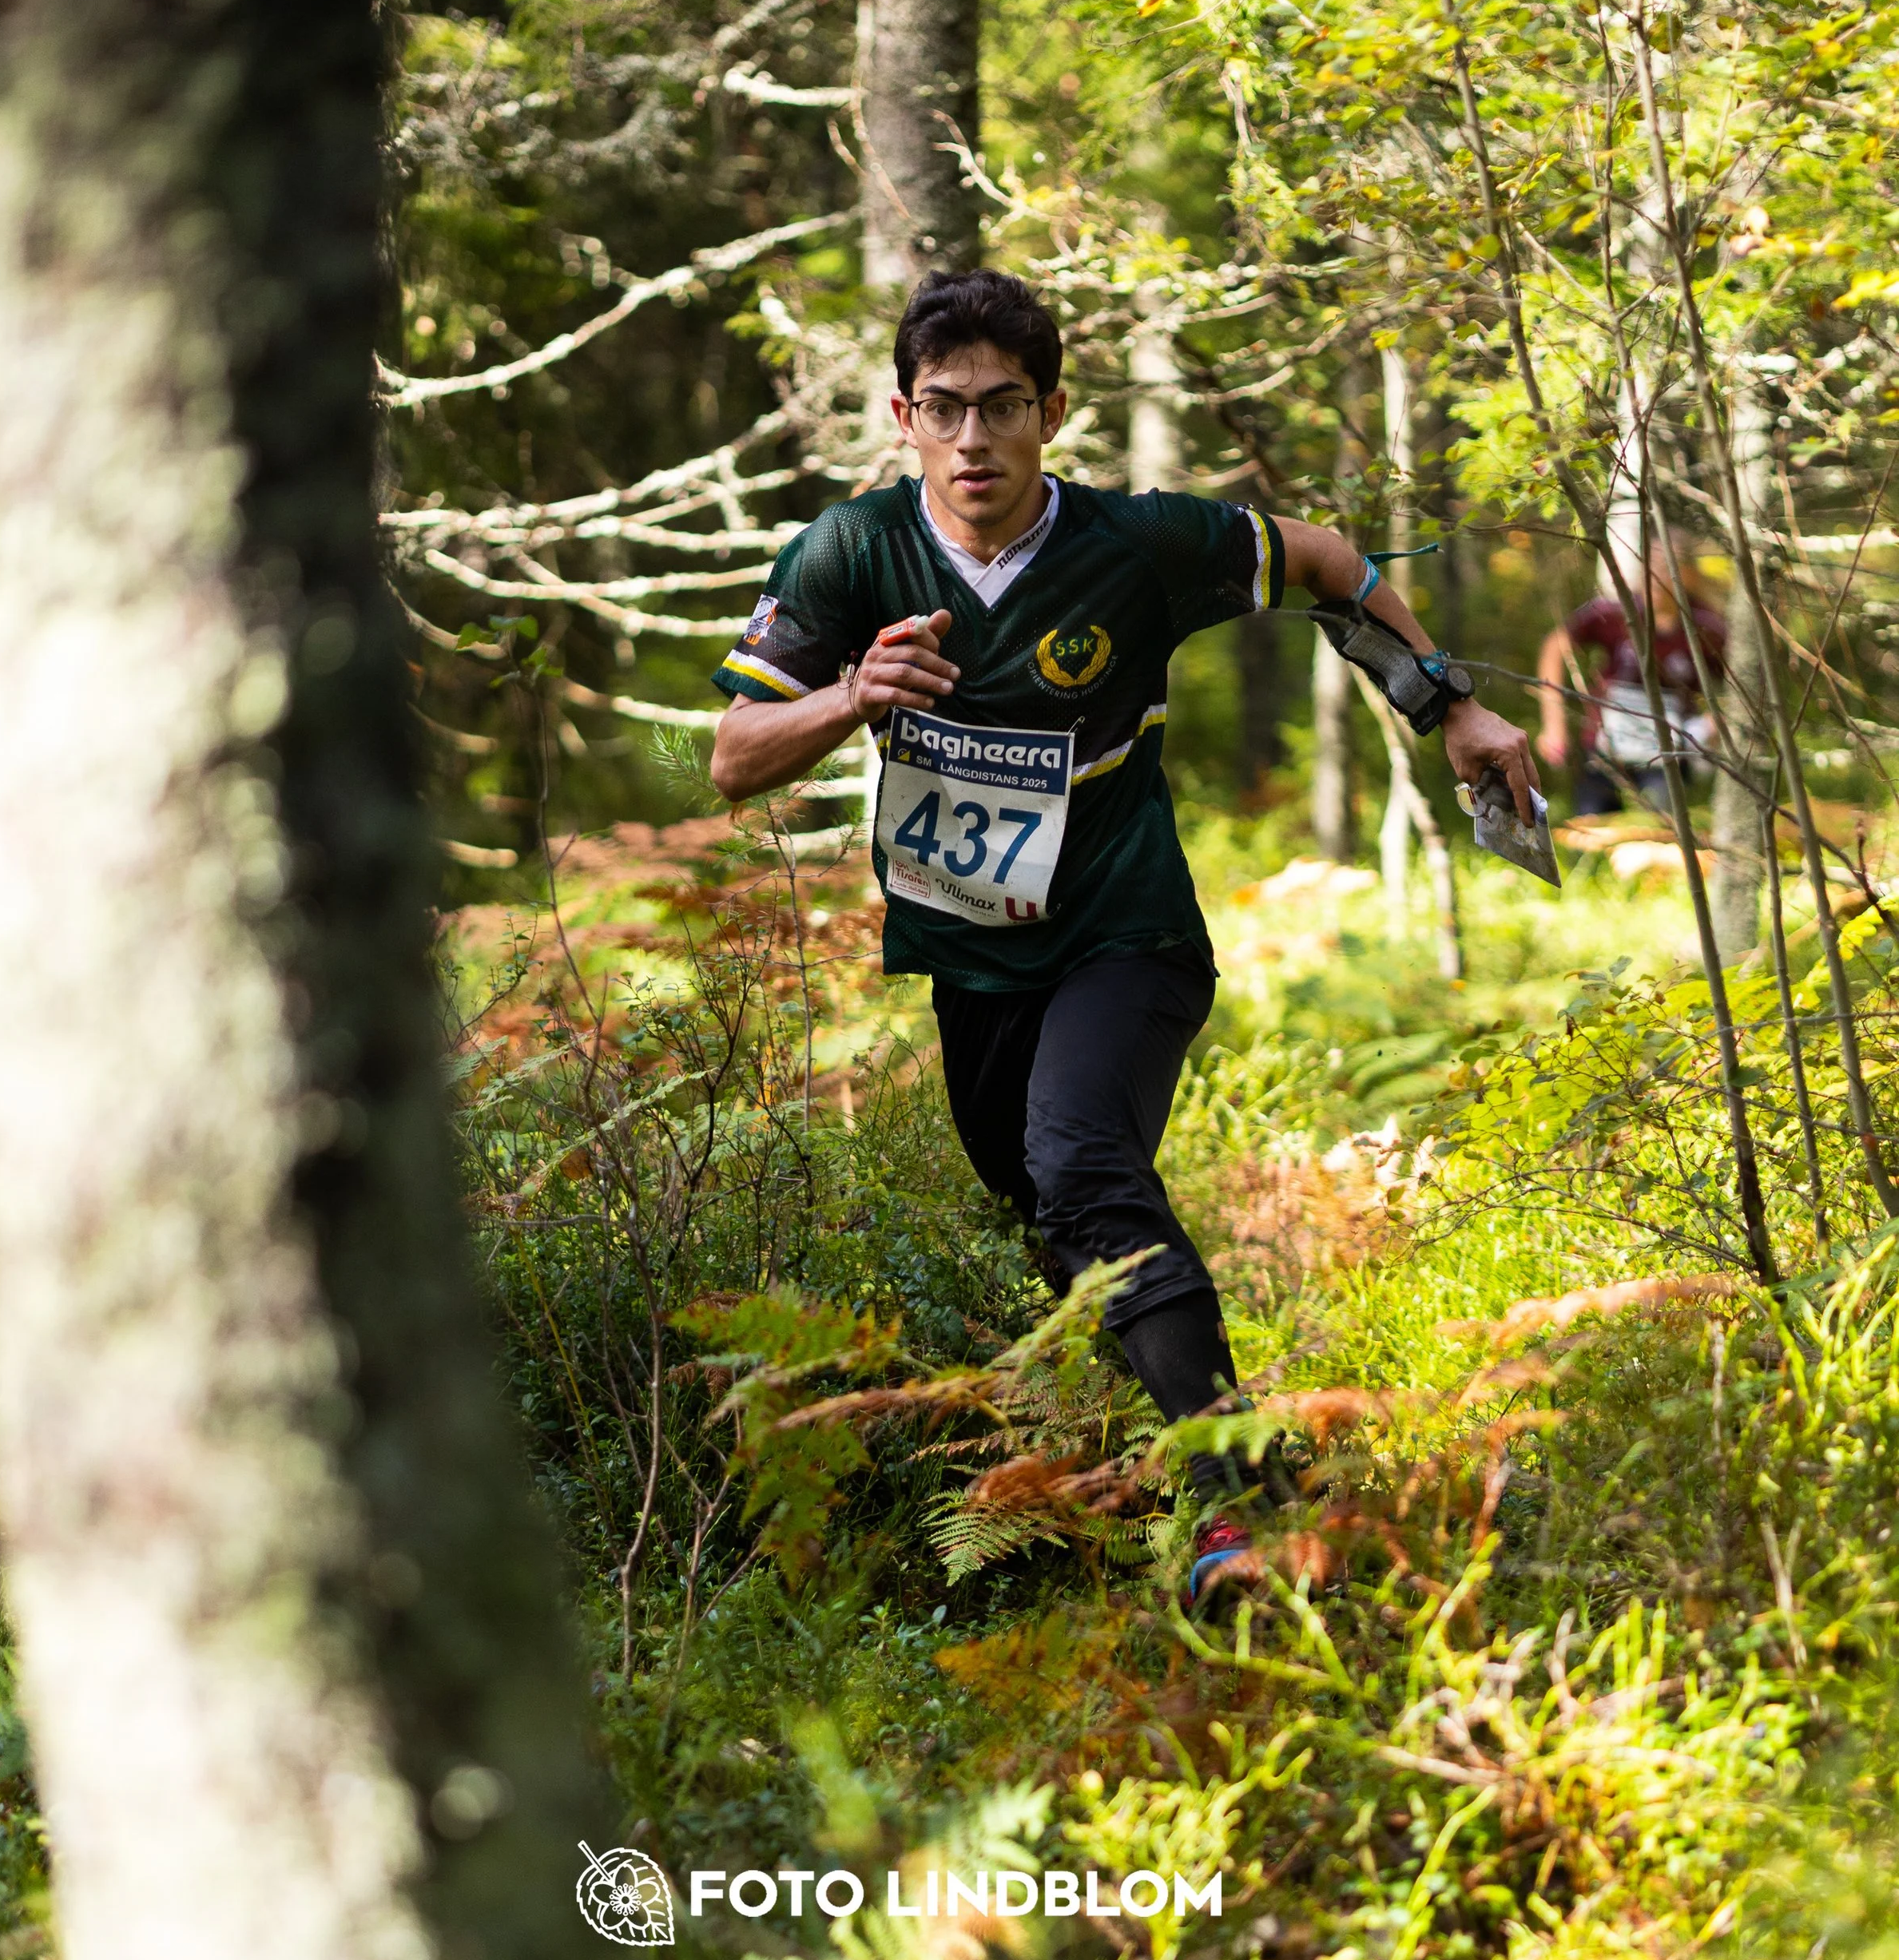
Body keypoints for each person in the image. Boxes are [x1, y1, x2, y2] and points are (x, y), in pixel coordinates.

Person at [709, 270, 1537, 1607]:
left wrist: (1449, 708)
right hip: (972, 956)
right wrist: (855, 694)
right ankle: (1266, 1480)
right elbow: (734, 760)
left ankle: (1224, 1508)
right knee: (1049, 1215)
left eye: (1004, 407)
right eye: (945, 409)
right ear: (902, 416)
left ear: (1052, 412)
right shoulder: (851, 556)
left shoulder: (1138, 545)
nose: (973, 440)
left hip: (1126, 932)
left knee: (1083, 1161)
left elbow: (1324, 561)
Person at [1535, 546, 1725, 817]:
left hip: (1668, 755)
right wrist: (1554, 723)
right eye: (1652, 568)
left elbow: (1748, 678)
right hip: (1605, 749)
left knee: (1659, 832)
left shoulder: (1707, 627)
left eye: (1669, 570)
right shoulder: (1614, 613)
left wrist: (1716, 723)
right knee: (1593, 829)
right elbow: (1556, 645)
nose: (1659, 578)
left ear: (1690, 575)